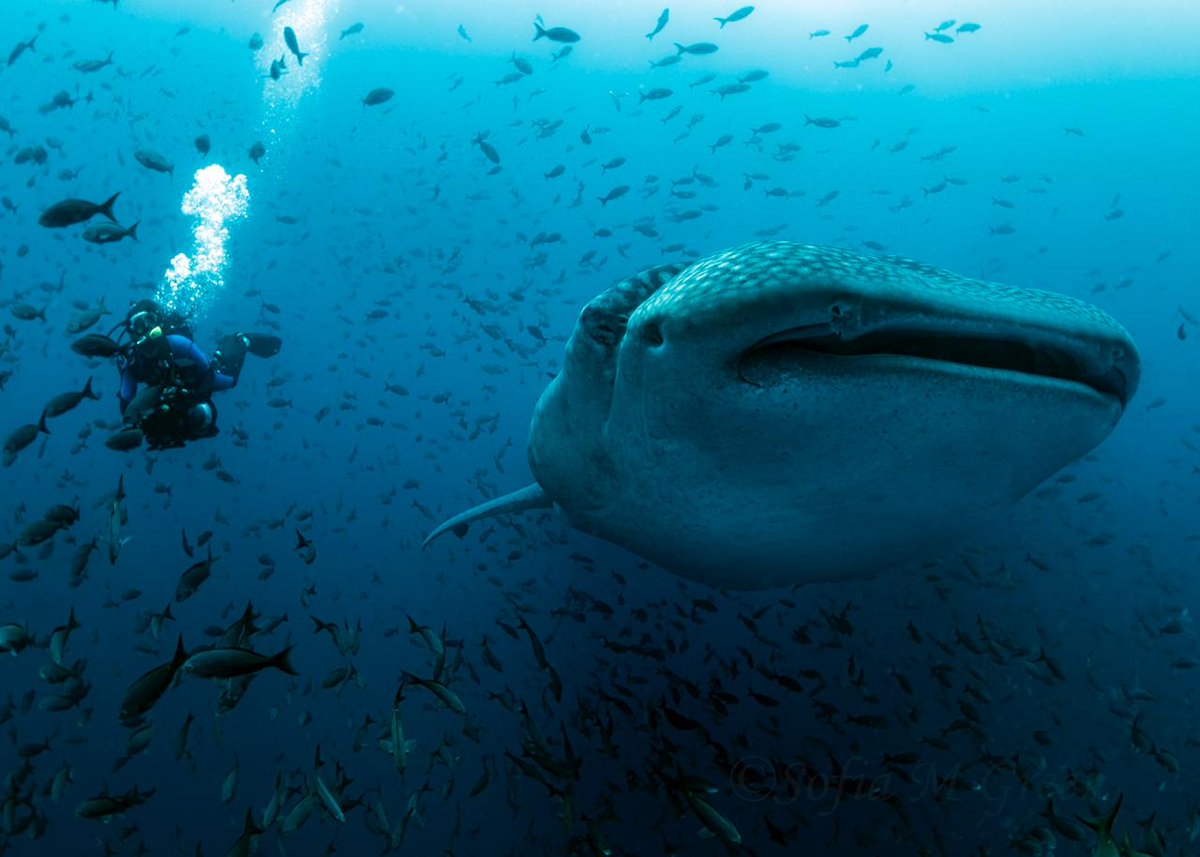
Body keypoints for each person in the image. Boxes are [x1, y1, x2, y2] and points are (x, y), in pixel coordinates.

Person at [113, 300, 279, 450]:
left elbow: (208, 371)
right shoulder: (133, 363)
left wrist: (190, 392)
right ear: (131, 333)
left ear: (158, 321)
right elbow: (127, 405)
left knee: (229, 381)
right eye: (139, 324)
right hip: (165, 392)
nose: (146, 328)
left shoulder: (177, 342)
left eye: (149, 320)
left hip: (196, 378)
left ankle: (239, 341)